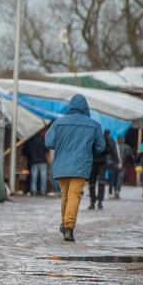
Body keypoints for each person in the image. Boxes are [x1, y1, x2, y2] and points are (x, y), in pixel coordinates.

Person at [45, 94, 105, 242]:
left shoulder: (58, 123)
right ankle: (69, 228)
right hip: (81, 165)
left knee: (65, 196)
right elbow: (100, 147)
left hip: (61, 165)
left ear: (70, 107)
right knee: (74, 196)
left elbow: (49, 143)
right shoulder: (94, 125)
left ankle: (65, 223)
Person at [88, 129, 113, 210]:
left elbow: (109, 149)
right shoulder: (89, 137)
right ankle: (92, 201)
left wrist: (100, 150)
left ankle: (99, 201)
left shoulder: (105, 138)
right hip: (92, 163)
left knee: (101, 182)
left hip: (102, 163)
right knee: (91, 183)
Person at [21, 130, 49, 195]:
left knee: (34, 177)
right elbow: (47, 150)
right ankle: (43, 190)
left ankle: (33, 190)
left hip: (34, 161)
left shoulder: (30, 141)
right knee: (43, 177)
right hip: (42, 161)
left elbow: (25, 151)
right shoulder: (43, 141)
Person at [105, 131, 120, 199]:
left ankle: (98, 193)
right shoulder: (112, 141)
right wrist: (117, 161)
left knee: (100, 178)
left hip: (103, 162)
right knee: (111, 178)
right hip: (111, 162)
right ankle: (110, 192)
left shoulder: (101, 140)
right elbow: (114, 151)